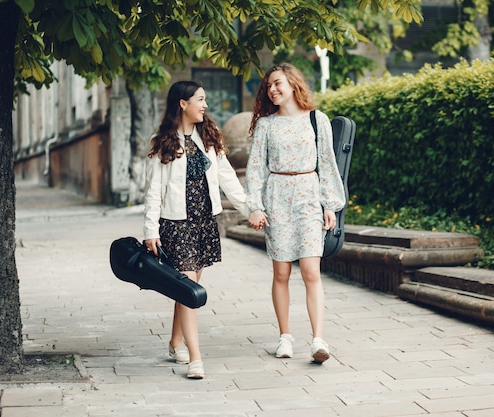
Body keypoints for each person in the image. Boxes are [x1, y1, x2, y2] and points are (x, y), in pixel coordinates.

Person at [143, 80, 249, 379]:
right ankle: (195, 358)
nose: (204, 105)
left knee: (185, 289)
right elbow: (152, 191)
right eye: (199, 99)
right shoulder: (161, 142)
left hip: (204, 223)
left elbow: (227, 178)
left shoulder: (209, 138)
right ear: (182, 103)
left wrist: (250, 208)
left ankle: (176, 341)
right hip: (176, 225)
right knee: (190, 288)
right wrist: (150, 230)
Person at [245, 63, 346, 363]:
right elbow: (254, 169)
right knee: (281, 272)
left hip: (308, 196)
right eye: (268, 87)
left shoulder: (317, 119)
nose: (272, 90)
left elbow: (328, 164)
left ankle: (318, 340)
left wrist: (330, 205)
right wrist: (255, 206)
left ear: (292, 83)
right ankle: (285, 337)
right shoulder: (266, 125)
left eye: (277, 83)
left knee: (311, 271)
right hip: (277, 196)